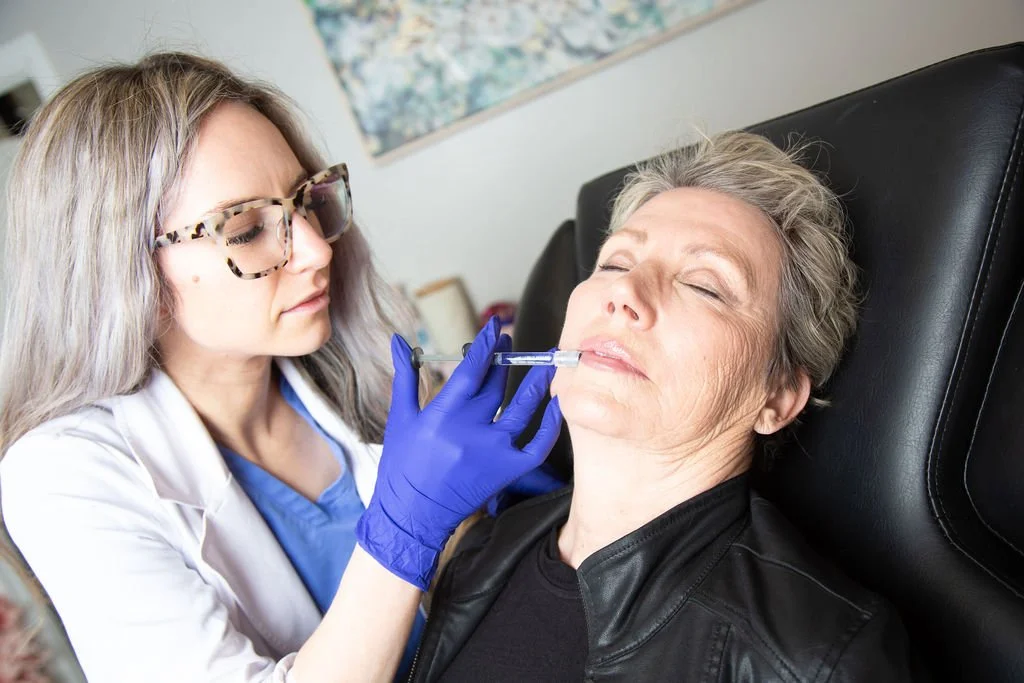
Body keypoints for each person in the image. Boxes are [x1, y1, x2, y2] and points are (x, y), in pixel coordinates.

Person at [0, 52, 563, 683]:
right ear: (118, 267)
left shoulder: (353, 374)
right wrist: (405, 533)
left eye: (305, 201)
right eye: (244, 229)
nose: (320, 248)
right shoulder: (62, 475)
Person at [409, 132, 921, 681]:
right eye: (614, 264)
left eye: (704, 286)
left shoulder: (815, 661)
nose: (625, 292)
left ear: (776, 397)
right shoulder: (483, 549)